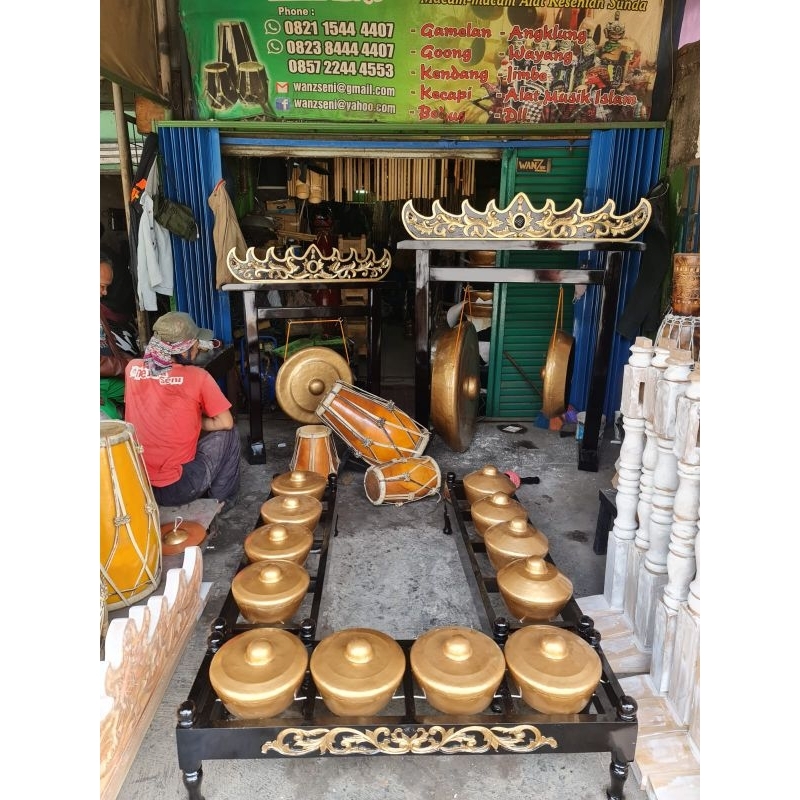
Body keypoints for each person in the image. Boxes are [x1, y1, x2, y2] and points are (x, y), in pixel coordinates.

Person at [124, 311, 241, 509]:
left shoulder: (132, 369)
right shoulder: (198, 376)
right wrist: (197, 420)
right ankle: (221, 502)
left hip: (139, 483)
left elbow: (152, 407)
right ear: (184, 349)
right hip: (178, 486)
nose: (197, 346)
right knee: (230, 432)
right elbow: (225, 422)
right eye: (195, 342)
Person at [101, 252, 139, 419]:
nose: (104, 292)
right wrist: (126, 365)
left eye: (107, 287)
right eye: (101, 286)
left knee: (146, 388)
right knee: (112, 423)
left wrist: (131, 360)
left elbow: (109, 346)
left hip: (108, 379)